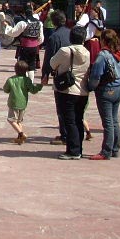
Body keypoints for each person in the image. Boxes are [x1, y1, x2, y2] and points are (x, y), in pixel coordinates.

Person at [49, 25, 91, 160]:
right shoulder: (87, 52)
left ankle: (73, 151)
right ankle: (78, 148)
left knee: (69, 121)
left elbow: (52, 63)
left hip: (67, 90)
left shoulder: (65, 51)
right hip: (82, 90)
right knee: (78, 119)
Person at [87, 28, 120, 161]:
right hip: (118, 89)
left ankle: (106, 151)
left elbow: (96, 75)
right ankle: (115, 148)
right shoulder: (119, 54)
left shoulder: (103, 56)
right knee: (114, 121)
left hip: (106, 90)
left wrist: (90, 87)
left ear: (103, 40)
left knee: (108, 122)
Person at [41, 9, 72, 145]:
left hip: (61, 74)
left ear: (53, 22)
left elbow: (49, 57)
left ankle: (65, 134)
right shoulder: (72, 33)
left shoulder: (54, 37)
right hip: (75, 72)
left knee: (61, 105)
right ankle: (73, 133)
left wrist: (45, 74)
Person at [3, 60, 41, 144]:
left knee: (11, 120)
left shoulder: (11, 80)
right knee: (19, 121)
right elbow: (33, 90)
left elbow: (6, 89)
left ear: (15, 70)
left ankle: (21, 134)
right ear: (26, 71)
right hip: (23, 103)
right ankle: (20, 138)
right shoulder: (27, 80)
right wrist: (39, 86)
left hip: (13, 103)